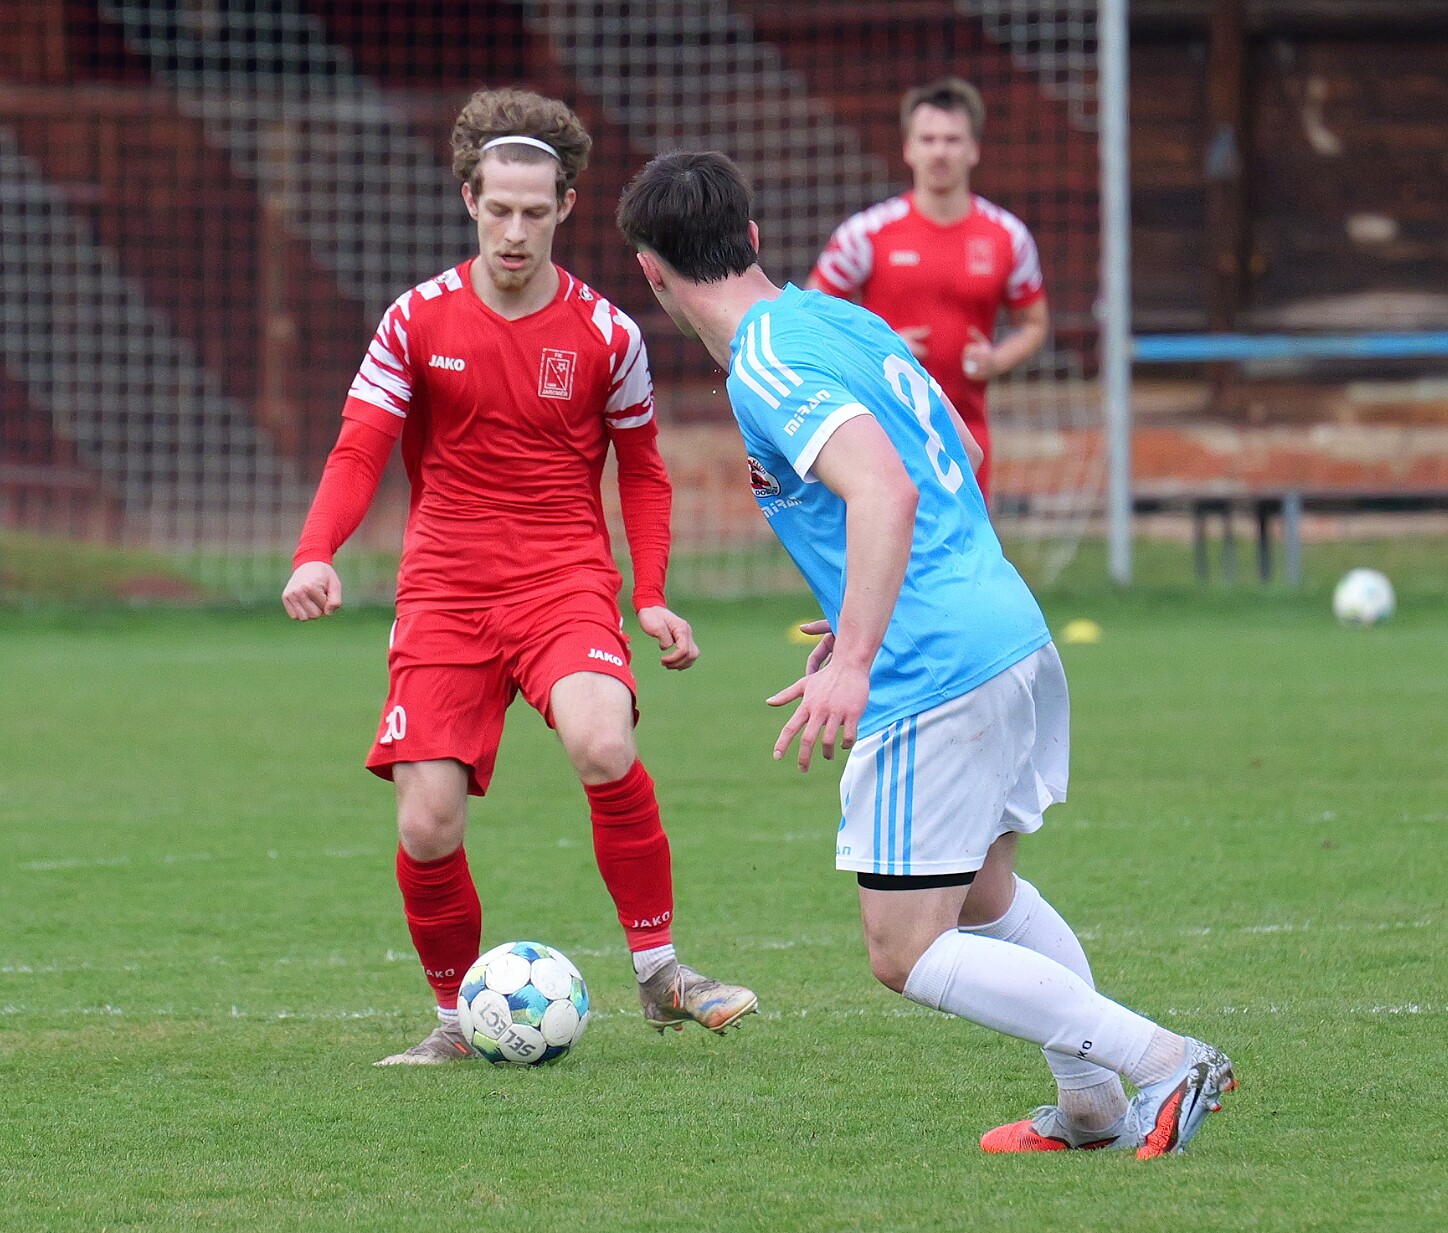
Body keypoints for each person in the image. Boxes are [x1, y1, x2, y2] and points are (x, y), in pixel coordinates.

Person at [617, 151, 1230, 1157]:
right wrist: (857, 610)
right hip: (1002, 625)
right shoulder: (839, 319)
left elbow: (887, 489)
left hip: (934, 664)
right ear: (754, 238)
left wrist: (859, 653)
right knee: (983, 894)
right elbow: (960, 457)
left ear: (652, 274)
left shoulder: (765, 365)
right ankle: (1092, 1107)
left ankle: (1166, 1058)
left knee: (904, 948)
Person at [282, 90, 756, 1066]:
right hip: (444, 592)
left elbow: (645, 471)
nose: (513, 230)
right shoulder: (415, 320)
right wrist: (315, 550)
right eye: (498, 208)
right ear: (469, 198)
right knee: (427, 821)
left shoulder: (607, 334)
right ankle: (457, 1022)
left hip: (561, 582)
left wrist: (651, 593)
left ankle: (662, 972)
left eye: (534, 212)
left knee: (603, 741)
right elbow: (359, 447)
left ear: (566, 207)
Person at [807, 78, 1049, 496]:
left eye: (952, 140)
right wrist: (878, 349)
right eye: (928, 139)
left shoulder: (1008, 237)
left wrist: (996, 359)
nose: (939, 151)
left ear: (973, 149)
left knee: (969, 542)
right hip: (879, 437)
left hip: (966, 442)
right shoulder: (866, 234)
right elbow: (812, 316)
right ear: (908, 148)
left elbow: (1034, 323)